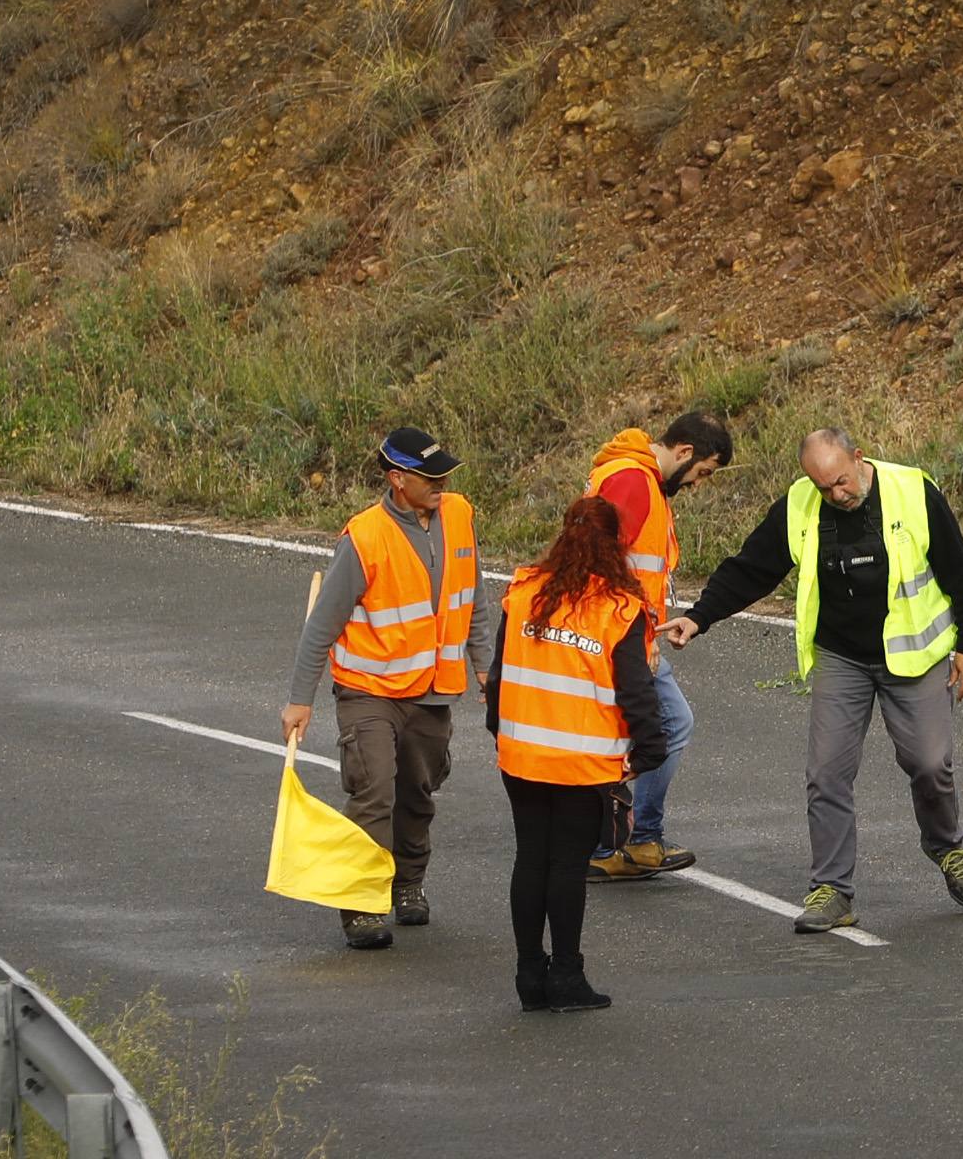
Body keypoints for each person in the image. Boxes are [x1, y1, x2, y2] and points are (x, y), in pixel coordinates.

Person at [659, 429, 963, 933]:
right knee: (827, 774)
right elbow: (752, 568)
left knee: (929, 763)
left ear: (859, 458)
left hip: (914, 655)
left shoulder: (912, 491)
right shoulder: (800, 503)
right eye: (823, 487)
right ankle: (832, 890)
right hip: (841, 658)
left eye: (841, 481)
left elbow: (960, 573)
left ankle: (946, 847)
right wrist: (700, 617)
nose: (836, 494)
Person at [280, 427, 496, 951]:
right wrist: (299, 699)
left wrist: (487, 668)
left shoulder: (460, 518)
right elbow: (321, 626)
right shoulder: (364, 538)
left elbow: (474, 598)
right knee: (373, 790)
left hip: (431, 693)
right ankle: (360, 904)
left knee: (416, 795)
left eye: (444, 473)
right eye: (430, 476)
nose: (442, 483)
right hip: (367, 692)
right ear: (397, 480)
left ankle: (408, 883)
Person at [487, 497, 670, 1012]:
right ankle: (566, 974)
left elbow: (500, 675)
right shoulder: (617, 609)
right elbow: (636, 691)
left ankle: (529, 973)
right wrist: (651, 749)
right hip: (581, 762)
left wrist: (497, 729)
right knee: (566, 866)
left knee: (530, 859)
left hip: (521, 754)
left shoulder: (524, 594)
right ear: (617, 544)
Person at [584, 413, 733, 882]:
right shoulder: (634, 481)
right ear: (684, 452)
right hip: (617, 637)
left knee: (638, 729)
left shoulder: (637, 477)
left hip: (624, 633)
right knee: (668, 723)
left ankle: (622, 839)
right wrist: (634, 639)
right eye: (703, 472)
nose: (698, 483)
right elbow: (598, 563)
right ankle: (632, 839)